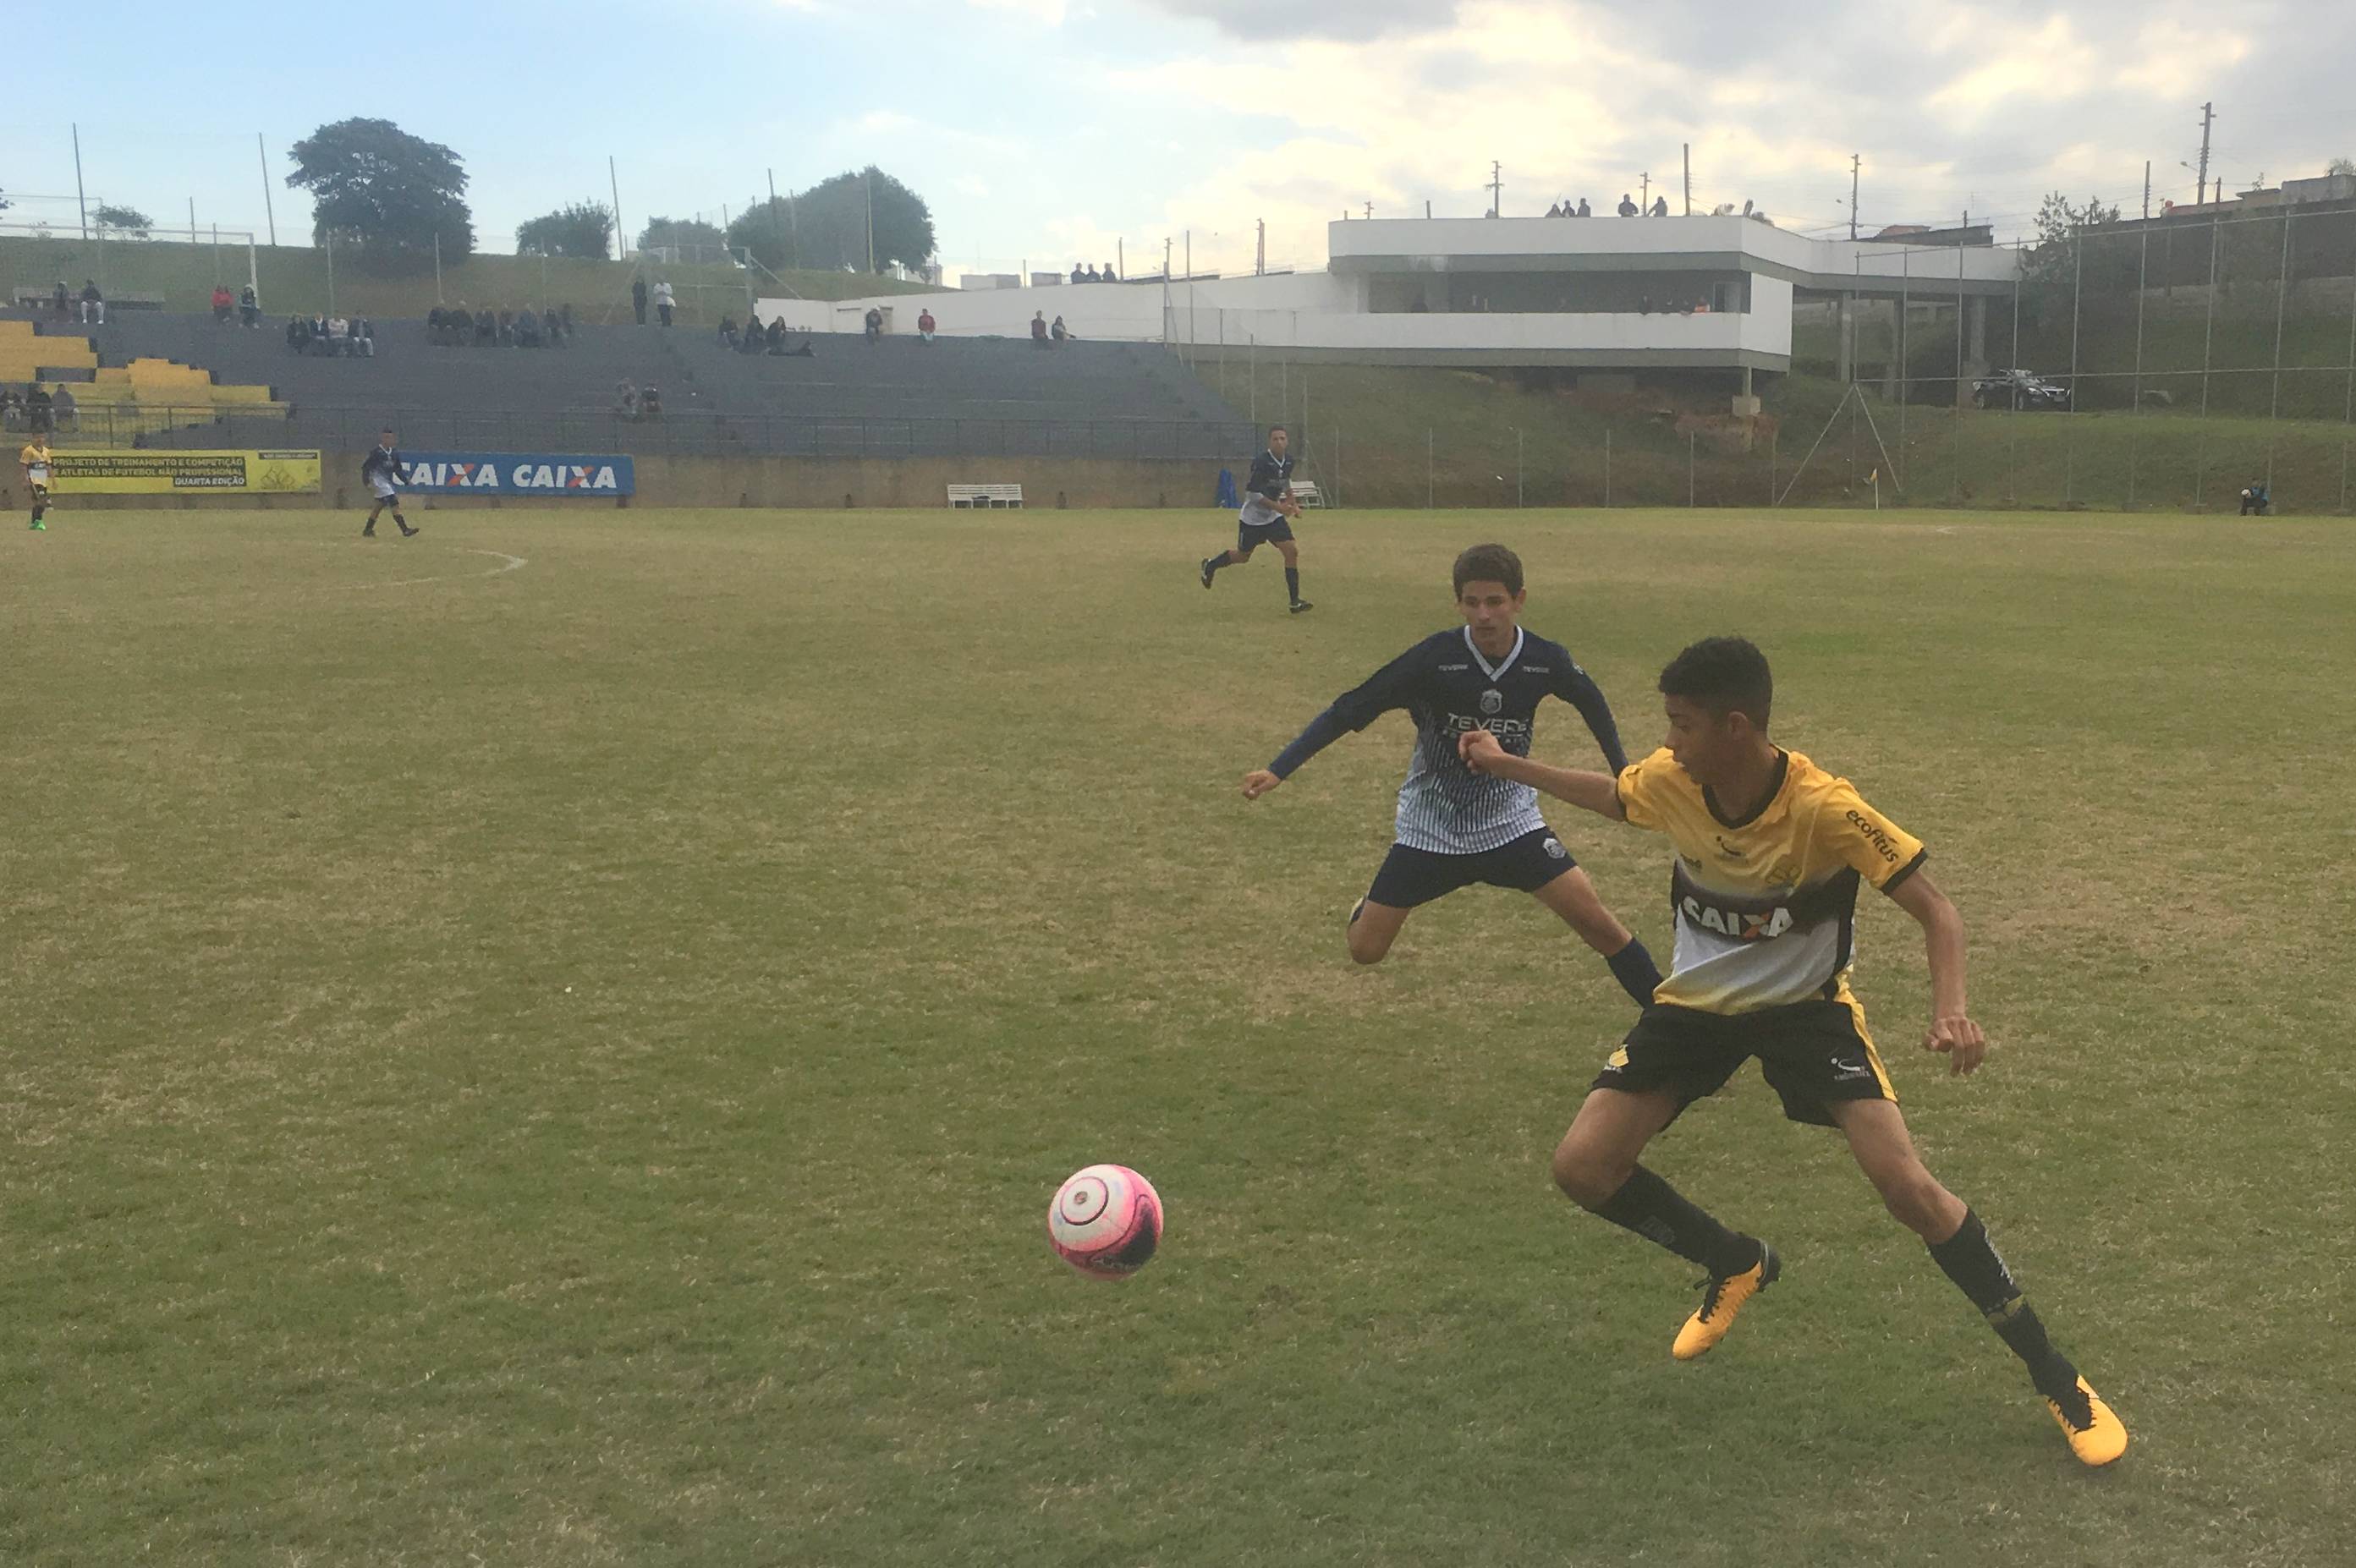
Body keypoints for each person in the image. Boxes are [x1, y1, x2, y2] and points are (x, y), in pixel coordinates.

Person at [1457, 635, 2128, 1468]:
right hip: (1696, 1009)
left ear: (1736, 728)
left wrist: (1951, 1009)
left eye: (1681, 724)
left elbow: (1938, 911)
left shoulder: (1825, 809)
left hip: (1804, 1014)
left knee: (1908, 1190)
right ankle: (1735, 1262)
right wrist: (1506, 764)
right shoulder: (1674, 782)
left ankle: (2057, 1377)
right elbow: (1611, 796)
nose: (1667, 743)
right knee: (1582, 1167)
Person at [1244, 542, 1662, 995]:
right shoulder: (1431, 659)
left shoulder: (1546, 659)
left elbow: (1593, 705)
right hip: (1432, 827)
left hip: (1511, 823)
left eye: (1496, 602)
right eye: (1472, 602)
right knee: (1365, 950)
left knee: (1599, 926)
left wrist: (1624, 774)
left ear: (1518, 600)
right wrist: (1278, 769)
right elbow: (1348, 710)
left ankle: (1670, 1024)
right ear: (1458, 602)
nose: (1484, 615)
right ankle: (1365, 909)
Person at [1198, 424, 1310, 613]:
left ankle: (1294, 602)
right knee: (1242, 556)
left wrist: (1293, 503)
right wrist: (1280, 508)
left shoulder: (1289, 461)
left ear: (1287, 441)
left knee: (1291, 551)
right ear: (1269, 442)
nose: (1280, 442)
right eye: (1275, 439)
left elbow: (1285, 483)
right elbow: (1253, 495)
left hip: (1273, 518)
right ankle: (1211, 565)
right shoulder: (1261, 462)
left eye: (1283, 438)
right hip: (1253, 519)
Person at [358, 428, 418, 538]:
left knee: (379, 506)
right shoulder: (376, 452)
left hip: (386, 482)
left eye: (390, 437)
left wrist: (406, 481)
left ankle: (367, 530)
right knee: (393, 501)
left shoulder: (394, 453)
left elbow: (398, 470)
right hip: (378, 481)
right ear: (382, 438)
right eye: (386, 437)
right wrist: (366, 482)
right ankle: (405, 530)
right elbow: (366, 468)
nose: (388, 440)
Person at [19, 429, 54, 530]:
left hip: (43, 480)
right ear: (33, 438)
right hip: (33, 480)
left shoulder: (46, 451)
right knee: (42, 501)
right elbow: (23, 466)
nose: (40, 439)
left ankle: (34, 522)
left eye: (42, 437)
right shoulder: (28, 451)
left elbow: (48, 466)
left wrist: (53, 479)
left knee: (37, 502)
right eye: (37, 437)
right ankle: (39, 521)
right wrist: (25, 479)